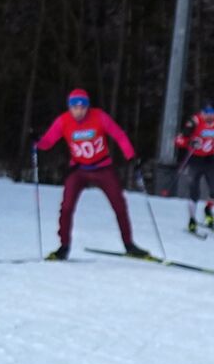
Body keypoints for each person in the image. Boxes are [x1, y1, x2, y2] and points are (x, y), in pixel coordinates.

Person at [33, 88, 149, 261]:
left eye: (82, 107)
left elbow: (119, 135)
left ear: (87, 107)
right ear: (69, 107)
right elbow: (48, 141)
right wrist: (37, 141)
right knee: (66, 208)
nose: (78, 111)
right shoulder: (63, 121)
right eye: (74, 107)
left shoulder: (99, 116)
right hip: (79, 170)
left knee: (119, 205)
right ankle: (63, 247)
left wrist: (131, 156)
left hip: (103, 168)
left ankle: (129, 244)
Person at [175, 102, 214, 232]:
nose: (210, 118)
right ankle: (192, 220)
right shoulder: (195, 121)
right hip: (195, 159)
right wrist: (190, 142)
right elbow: (178, 140)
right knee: (194, 191)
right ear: (202, 114)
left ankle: (208, 210)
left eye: (212, 115)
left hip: (210, 159)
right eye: (207, 115)